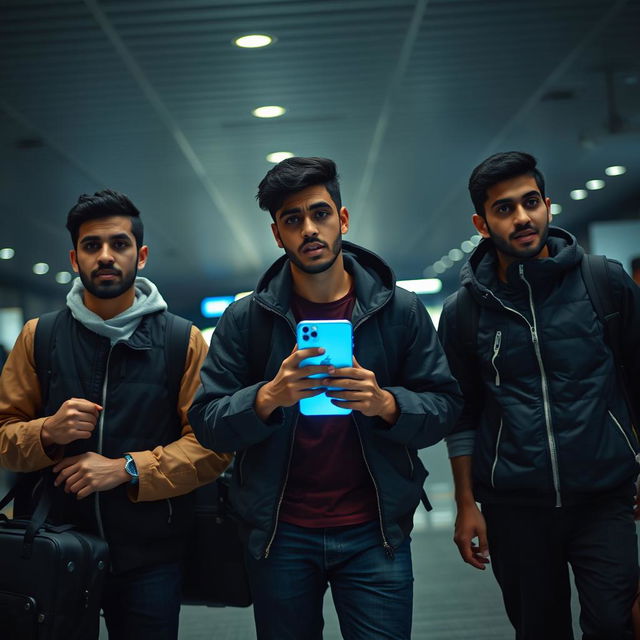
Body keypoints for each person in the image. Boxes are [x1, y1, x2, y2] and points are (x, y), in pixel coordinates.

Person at [189, 157, 461, 640]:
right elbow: (206, 421)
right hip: (280, 532)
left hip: (375, 530)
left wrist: (386, 404)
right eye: (293, 220)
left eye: (320, 213)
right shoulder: (246, 319)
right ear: (277, 234)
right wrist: (268, 397)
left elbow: (444, 407)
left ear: (344, 218)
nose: (309, 229)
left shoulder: (399, 309)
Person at [0, 190, 231, 639]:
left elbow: (211, 445)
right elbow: (4, 438)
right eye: (92, 246)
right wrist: (47, 431)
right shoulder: (39, 337)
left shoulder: (181, 340)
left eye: (119, 244)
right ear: (74, 257)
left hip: (151, 556)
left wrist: (127, 469)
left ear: (140, 255)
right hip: (52, 545)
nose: (106, 256)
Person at [438, 151, 640, 639]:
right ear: (482, 223)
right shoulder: (465, 311)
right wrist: (467, 503)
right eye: (504, 209)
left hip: (604, 496)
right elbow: (462, 415)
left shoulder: (604, 282)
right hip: (515, 506)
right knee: (538, 629)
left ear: (548, 205)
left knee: (613, 623)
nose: (522, 218)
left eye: (530, 202)